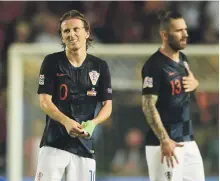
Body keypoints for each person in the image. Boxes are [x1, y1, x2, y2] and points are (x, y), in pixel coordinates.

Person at [34, 10, 112, 181]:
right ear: (61, 37)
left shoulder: (100, 66)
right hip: (54, 144)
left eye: (76, 29)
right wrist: (66, 121)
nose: (71, 34)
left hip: (84, 148)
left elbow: (108, 105)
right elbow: (44, 101)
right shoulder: (51, 62)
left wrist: (93, 123)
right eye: (66, 31)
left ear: (87, 33)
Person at [141, 11, 205, 181]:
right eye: (179, 31)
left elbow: (187, 85)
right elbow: (148, 105)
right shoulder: (154, 66)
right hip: (166, 143)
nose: (185, 34)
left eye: (185, 29)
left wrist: (195, 84)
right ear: (164, 35)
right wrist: (164, 139)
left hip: (187, 138)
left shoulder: (183, 59)